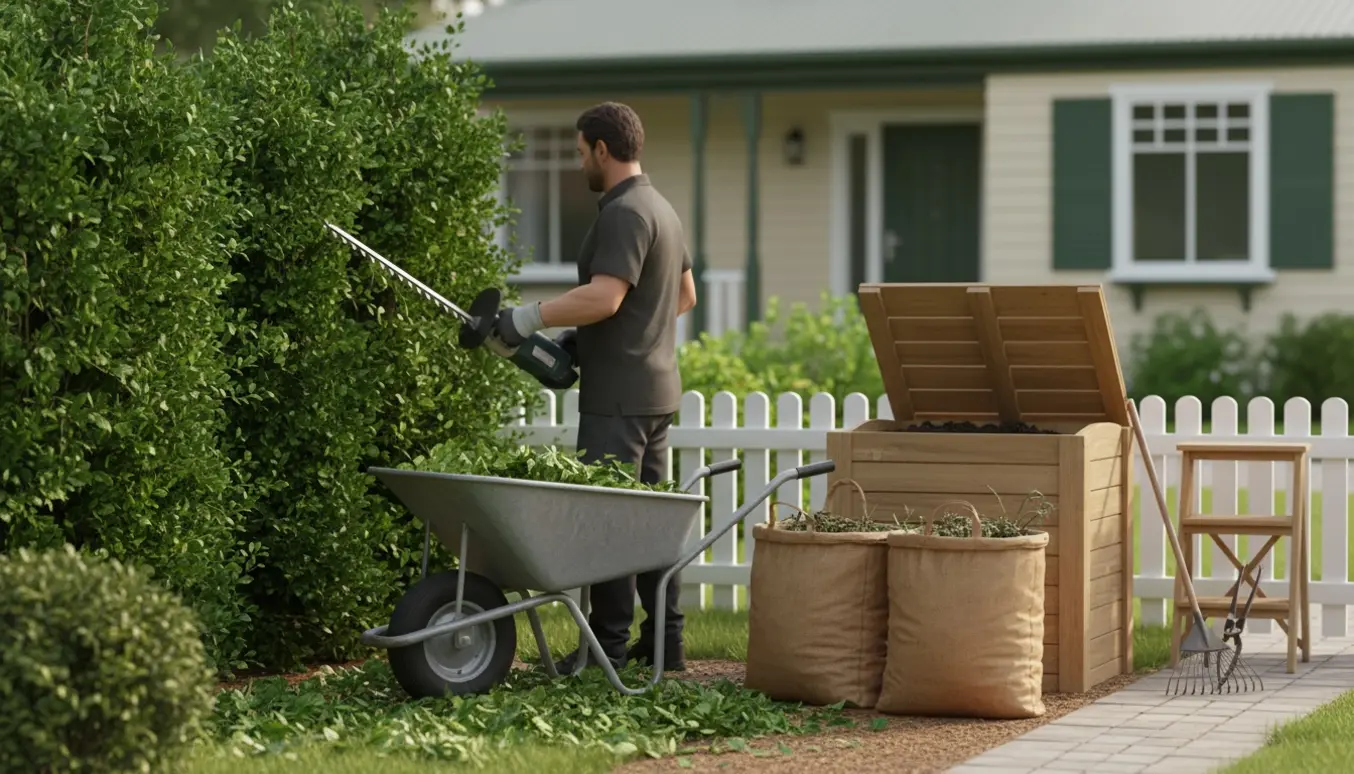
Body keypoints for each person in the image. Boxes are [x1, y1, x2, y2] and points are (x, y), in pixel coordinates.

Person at [492, 102, 698, 674]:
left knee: (609, 521)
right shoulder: (663, 208)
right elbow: (683, 297)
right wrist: (619, 340)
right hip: (657, 392)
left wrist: (529, 318)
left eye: (582, 152)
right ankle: (665, 642)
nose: (581, 161)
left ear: (602, 150)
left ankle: (604, 648)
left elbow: (607, 298)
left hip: (618, 400)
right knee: (650, 523)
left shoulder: (623, 213)